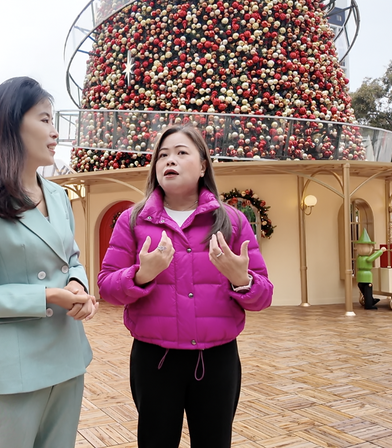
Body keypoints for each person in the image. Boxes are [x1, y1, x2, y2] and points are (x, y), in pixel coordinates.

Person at [97, 124, 273, 447]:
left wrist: (242, 280)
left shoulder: (231, 221)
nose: (169, 160)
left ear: (203, 166)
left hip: (217, 360)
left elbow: (263, 296)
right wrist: (141, 275)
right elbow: (107, 287)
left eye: (181, 153)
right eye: (163, 155)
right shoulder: (132, 220)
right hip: (154, 360)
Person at [0, 77, 97, 448]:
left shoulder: (58, 195)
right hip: (14, 373)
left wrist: (77, 284)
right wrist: (49, 295)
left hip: (68, 358)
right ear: (11, 124)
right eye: (45, 119)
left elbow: (71, 259)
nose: (55, 132)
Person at [355, 229, 386, 310]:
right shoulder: (366, 258)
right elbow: (372, 258)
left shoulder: (359, 257)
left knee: (364, 290)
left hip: (360, 276)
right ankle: (369, 304)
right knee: (368, 291)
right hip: (367, 277)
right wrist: (381, 251)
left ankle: (371, 300)